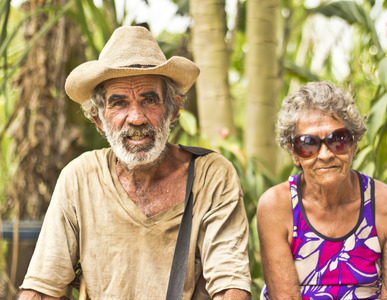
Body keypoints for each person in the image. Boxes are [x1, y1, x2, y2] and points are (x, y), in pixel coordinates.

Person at [19, 26, 251, 300]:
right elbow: (42, 288)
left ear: (173, 109)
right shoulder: (80, 177)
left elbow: (230, 287)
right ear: (98, 119)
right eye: (119, 103)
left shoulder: (210, 175)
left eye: (149, 100)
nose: (137, 118)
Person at [257, 81, 387, 299]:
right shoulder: (276, 206)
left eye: (338, 140)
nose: (325, 154)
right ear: (294, 154)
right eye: (308, 144)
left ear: (355, 145)